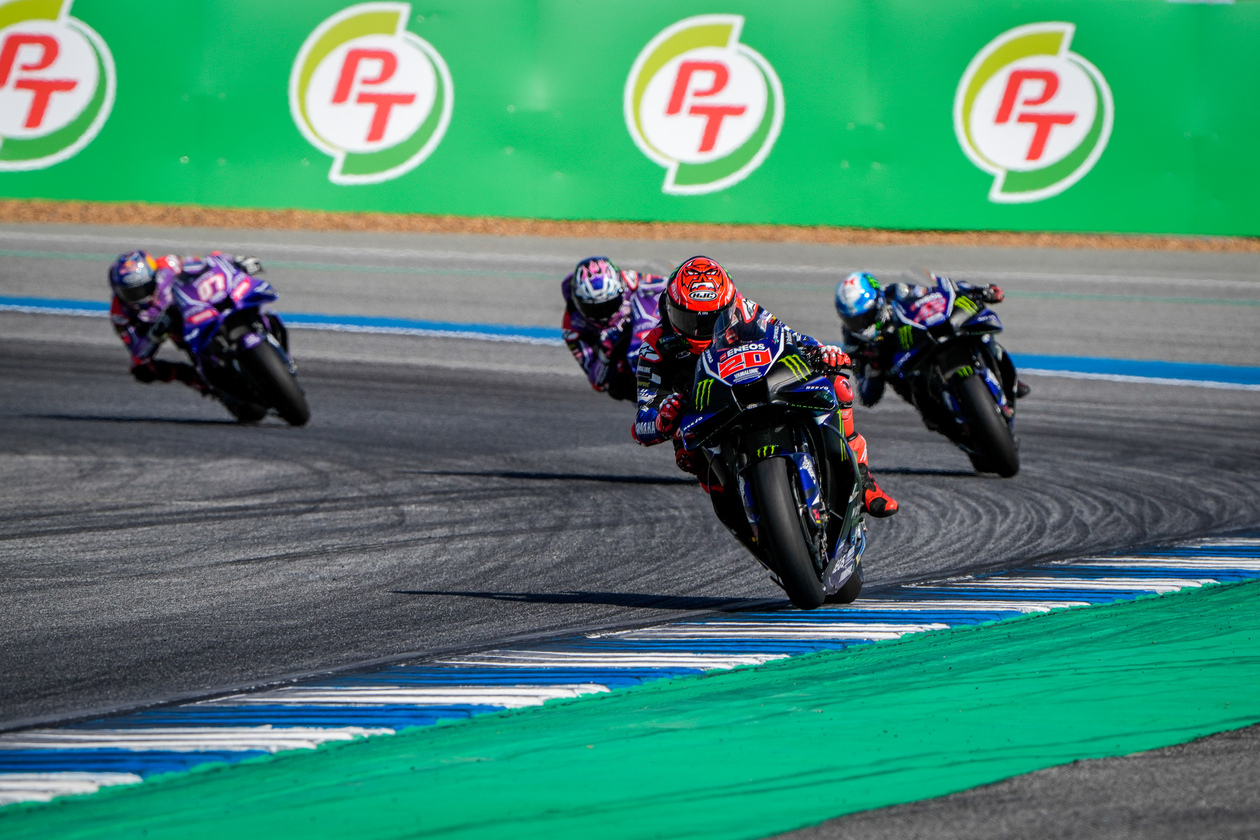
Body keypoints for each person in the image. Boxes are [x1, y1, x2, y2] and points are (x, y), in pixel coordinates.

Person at [632, 256, 899, 519]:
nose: (701, 331)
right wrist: (661, 420)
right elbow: (642, 422)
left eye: (712, 320)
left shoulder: (745, 311)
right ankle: (734, 509)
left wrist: (821, 352)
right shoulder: (655, 347)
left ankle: (864, 481)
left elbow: (791, 337)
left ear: (729, 305)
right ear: (669, 308)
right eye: (689, 320)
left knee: (836, 384)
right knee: (686, 453)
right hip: (705, 410)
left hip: (758, 384)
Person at [834, 271, 1029, 408]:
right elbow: (867, 397)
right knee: (923, 400)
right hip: (914, 380)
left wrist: (979, 291)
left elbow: (943, 289)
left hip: (927, 341)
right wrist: (875, 368)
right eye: (853, 320)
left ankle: (1008, 379)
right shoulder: (853, 342)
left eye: (865, 316)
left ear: (877, 302)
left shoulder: (895, 292)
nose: (860, 324)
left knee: (980, 333)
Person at [108, 249, 264, 391]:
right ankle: (198, 380)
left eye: (144, 288)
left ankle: (264, 323)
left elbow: (205, 262)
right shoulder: (119, 312)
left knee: (241, 298)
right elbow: (138, 353)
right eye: (129, 292)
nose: (139, 296)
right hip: (183, 331)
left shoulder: (168, 264)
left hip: (202, 304)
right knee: (142, 371)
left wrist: (234, 261)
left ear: (153, 276)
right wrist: (155, 335)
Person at [561, 256, 667, 401]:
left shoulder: (630, 280)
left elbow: (667, 285)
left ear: (620, 289)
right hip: (627, 363)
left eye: (609, 305)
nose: (603, 315)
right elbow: (598, 383)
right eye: (594, 309)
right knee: (617, 387)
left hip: (650, 331)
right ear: (578, 302)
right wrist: (606, 353)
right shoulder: (573, 325)